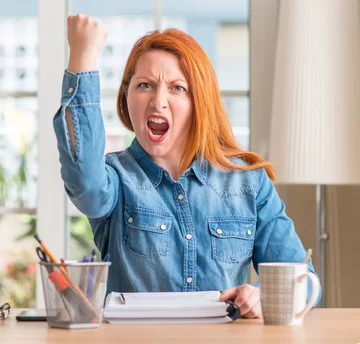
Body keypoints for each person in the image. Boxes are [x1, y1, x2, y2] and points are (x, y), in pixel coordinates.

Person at [52, 14, 321, 318]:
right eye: (144, 85)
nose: (158, 101)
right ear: (127, 96)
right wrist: (82, 57)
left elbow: (304, 282)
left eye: (177, 88)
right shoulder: (114, 179)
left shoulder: (248, 182)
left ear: (199, 101)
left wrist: (260, 295)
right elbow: (84, 182)